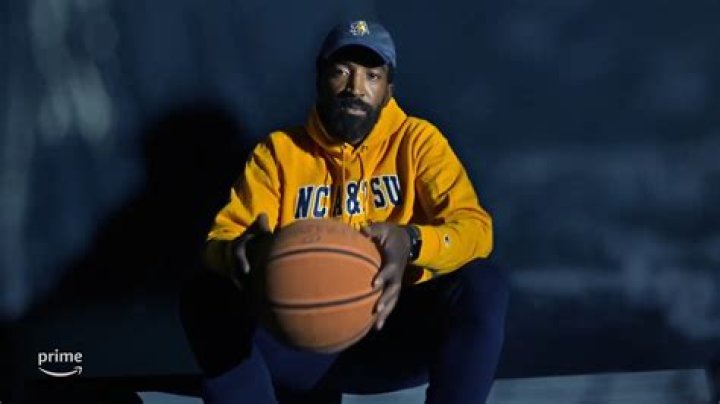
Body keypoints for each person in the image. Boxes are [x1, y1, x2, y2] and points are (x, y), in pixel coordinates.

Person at [180, 20, 509, 404]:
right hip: (303, 337)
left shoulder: (419, 142)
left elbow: (476, 229)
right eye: (341, 72)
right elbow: (220, 240)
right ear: (320, 79)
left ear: (388, 90)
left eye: (372, 76)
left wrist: (412, 241)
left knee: (484, 284)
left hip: (394, 331)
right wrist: (241, 252)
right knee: (206, 295)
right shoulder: (280, 152)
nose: (356, 87)